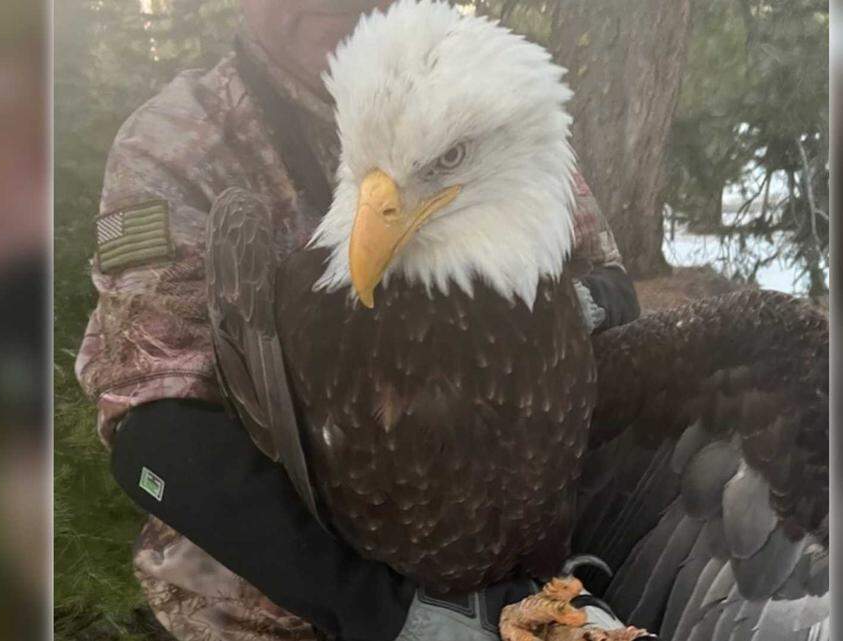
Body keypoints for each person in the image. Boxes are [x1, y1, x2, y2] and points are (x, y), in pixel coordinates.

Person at [75, 2, 641, 640]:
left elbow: (609, 284)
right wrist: (386, 612)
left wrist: (561, 314)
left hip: (505, 572)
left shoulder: (484, 93)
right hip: (275, 606)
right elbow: (152, 429)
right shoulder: (180, 140)